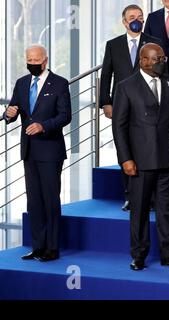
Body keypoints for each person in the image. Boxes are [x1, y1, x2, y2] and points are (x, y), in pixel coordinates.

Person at [112, 43, 169, 271]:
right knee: (138, 211)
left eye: (163, 58)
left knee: (168, 209)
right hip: (139, 162)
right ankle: (138, 255)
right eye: (156, 58)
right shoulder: (125, 87)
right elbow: (119, 127)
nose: (161, 61)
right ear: (143, 60)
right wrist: (125, 159)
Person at [3, 45, 72, 262]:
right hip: (29, 151)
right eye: (29, 59)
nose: (32, 62)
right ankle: (38, 246)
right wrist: (8, 114)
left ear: (45, 60)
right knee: (33, 201)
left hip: (50, 149)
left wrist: (44, 126)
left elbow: (65, 116)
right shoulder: (22, 83)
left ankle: (52, 247)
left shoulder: (59, 83)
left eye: (36, 59)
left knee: (50, 199)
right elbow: (13, 113)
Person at [100, 4, 164, 212]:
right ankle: (130, 196)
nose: (137, 19)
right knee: (125, 148)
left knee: (150, 148)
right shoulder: (113, 45)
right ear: (124, 21)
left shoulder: (155, 44)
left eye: (140, 16)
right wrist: (105, 102)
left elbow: (162, 73)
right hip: (121, 104)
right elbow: (106, 75)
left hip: (149, 105)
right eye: (132, 17)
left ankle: (152, 198)